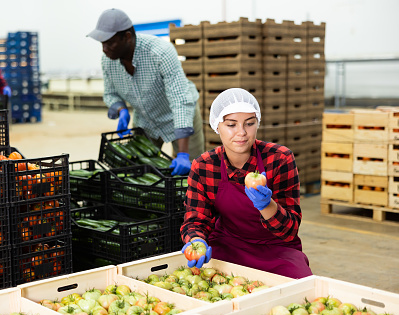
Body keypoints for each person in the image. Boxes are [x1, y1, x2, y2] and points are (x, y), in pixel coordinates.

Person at [180, 88, 312, 279]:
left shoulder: (280, 159)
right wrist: (196, 241)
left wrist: (268, 205)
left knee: (302, 287)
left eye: (249, 123)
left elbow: (290, 230)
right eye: (231, 125)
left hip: (277, 248)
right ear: (217, 126)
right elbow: (196, 220)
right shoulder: (204, 166)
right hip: (229, 245)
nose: (241, 133)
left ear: (258, 123)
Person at [87, 8, 205, 176]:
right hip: (146, 122)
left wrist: (184, 154)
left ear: (127, 37)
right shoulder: (108, 61)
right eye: (102, 43)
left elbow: (180, 100)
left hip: (180, 117)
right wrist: (121, 111)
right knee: (140, 172)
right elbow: (110, 93)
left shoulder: (160, 53)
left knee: (194, 173)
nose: (104, 49)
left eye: (110, 43)